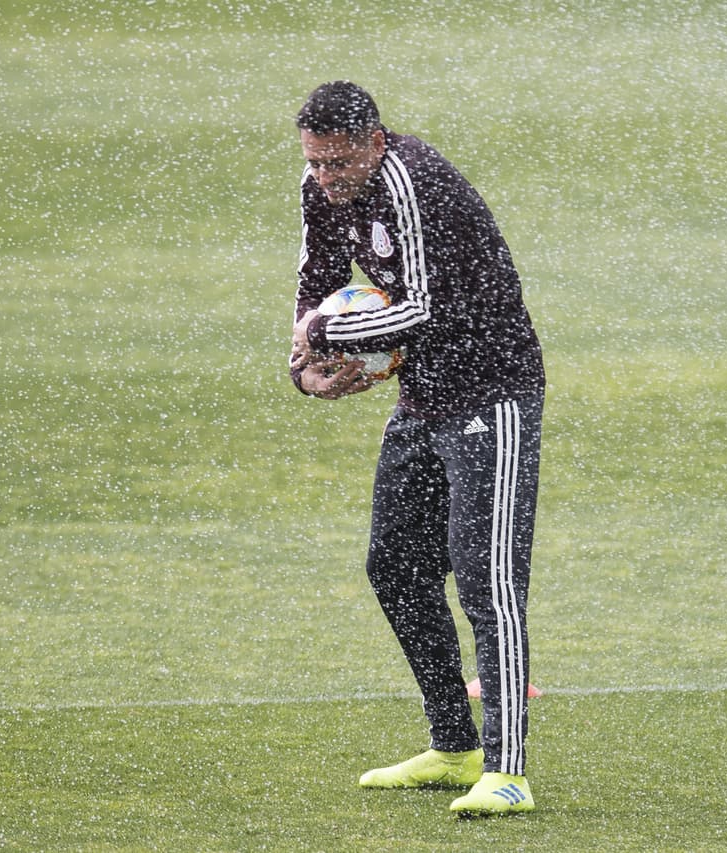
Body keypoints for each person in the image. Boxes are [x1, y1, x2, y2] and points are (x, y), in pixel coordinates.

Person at [289, 81, 545, 816]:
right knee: (395, 564)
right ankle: (453, 744)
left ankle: (509, 771)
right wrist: (305, 371)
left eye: (339, 163)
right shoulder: (321, 189)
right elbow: (316, 286)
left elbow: (426, 309)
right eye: (315, 163)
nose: (327, 179)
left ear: (375, 141)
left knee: (487, 578)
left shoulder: (414, 180)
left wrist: (330, 338)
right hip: (424, 393)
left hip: (492, 391)